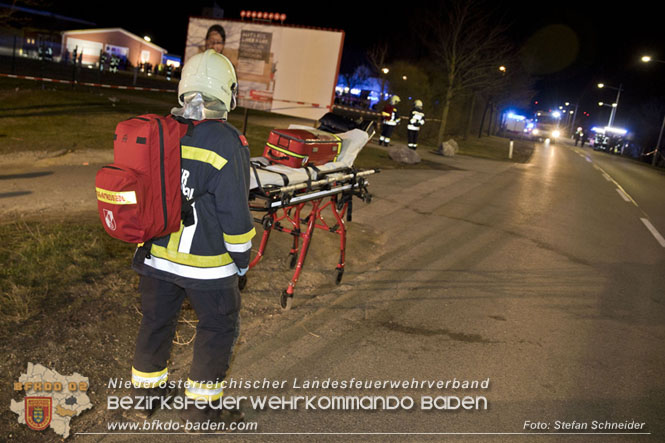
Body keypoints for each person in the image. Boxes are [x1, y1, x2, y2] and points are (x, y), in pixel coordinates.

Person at [130, 49, 255, 426]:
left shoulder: (161, 131)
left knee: (155, 323)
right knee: (217, 328)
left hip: (155, 258)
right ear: (227, 92)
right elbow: (235, 215)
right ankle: (201, 411)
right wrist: (243, 260)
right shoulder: (228, 143)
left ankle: (144, 399)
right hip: (208, 268)